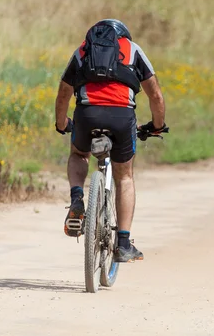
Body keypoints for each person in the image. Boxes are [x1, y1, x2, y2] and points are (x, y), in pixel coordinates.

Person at [54, 19, 166, 262]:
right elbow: (155, 94)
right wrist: (156, 126)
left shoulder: (82, 50)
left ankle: (76, 199)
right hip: (121, 117)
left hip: (87, 114)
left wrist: (61, 123)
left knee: (78, 154)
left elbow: (63, 92)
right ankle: (123, 244)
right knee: (124, 176)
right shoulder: (133, 50)